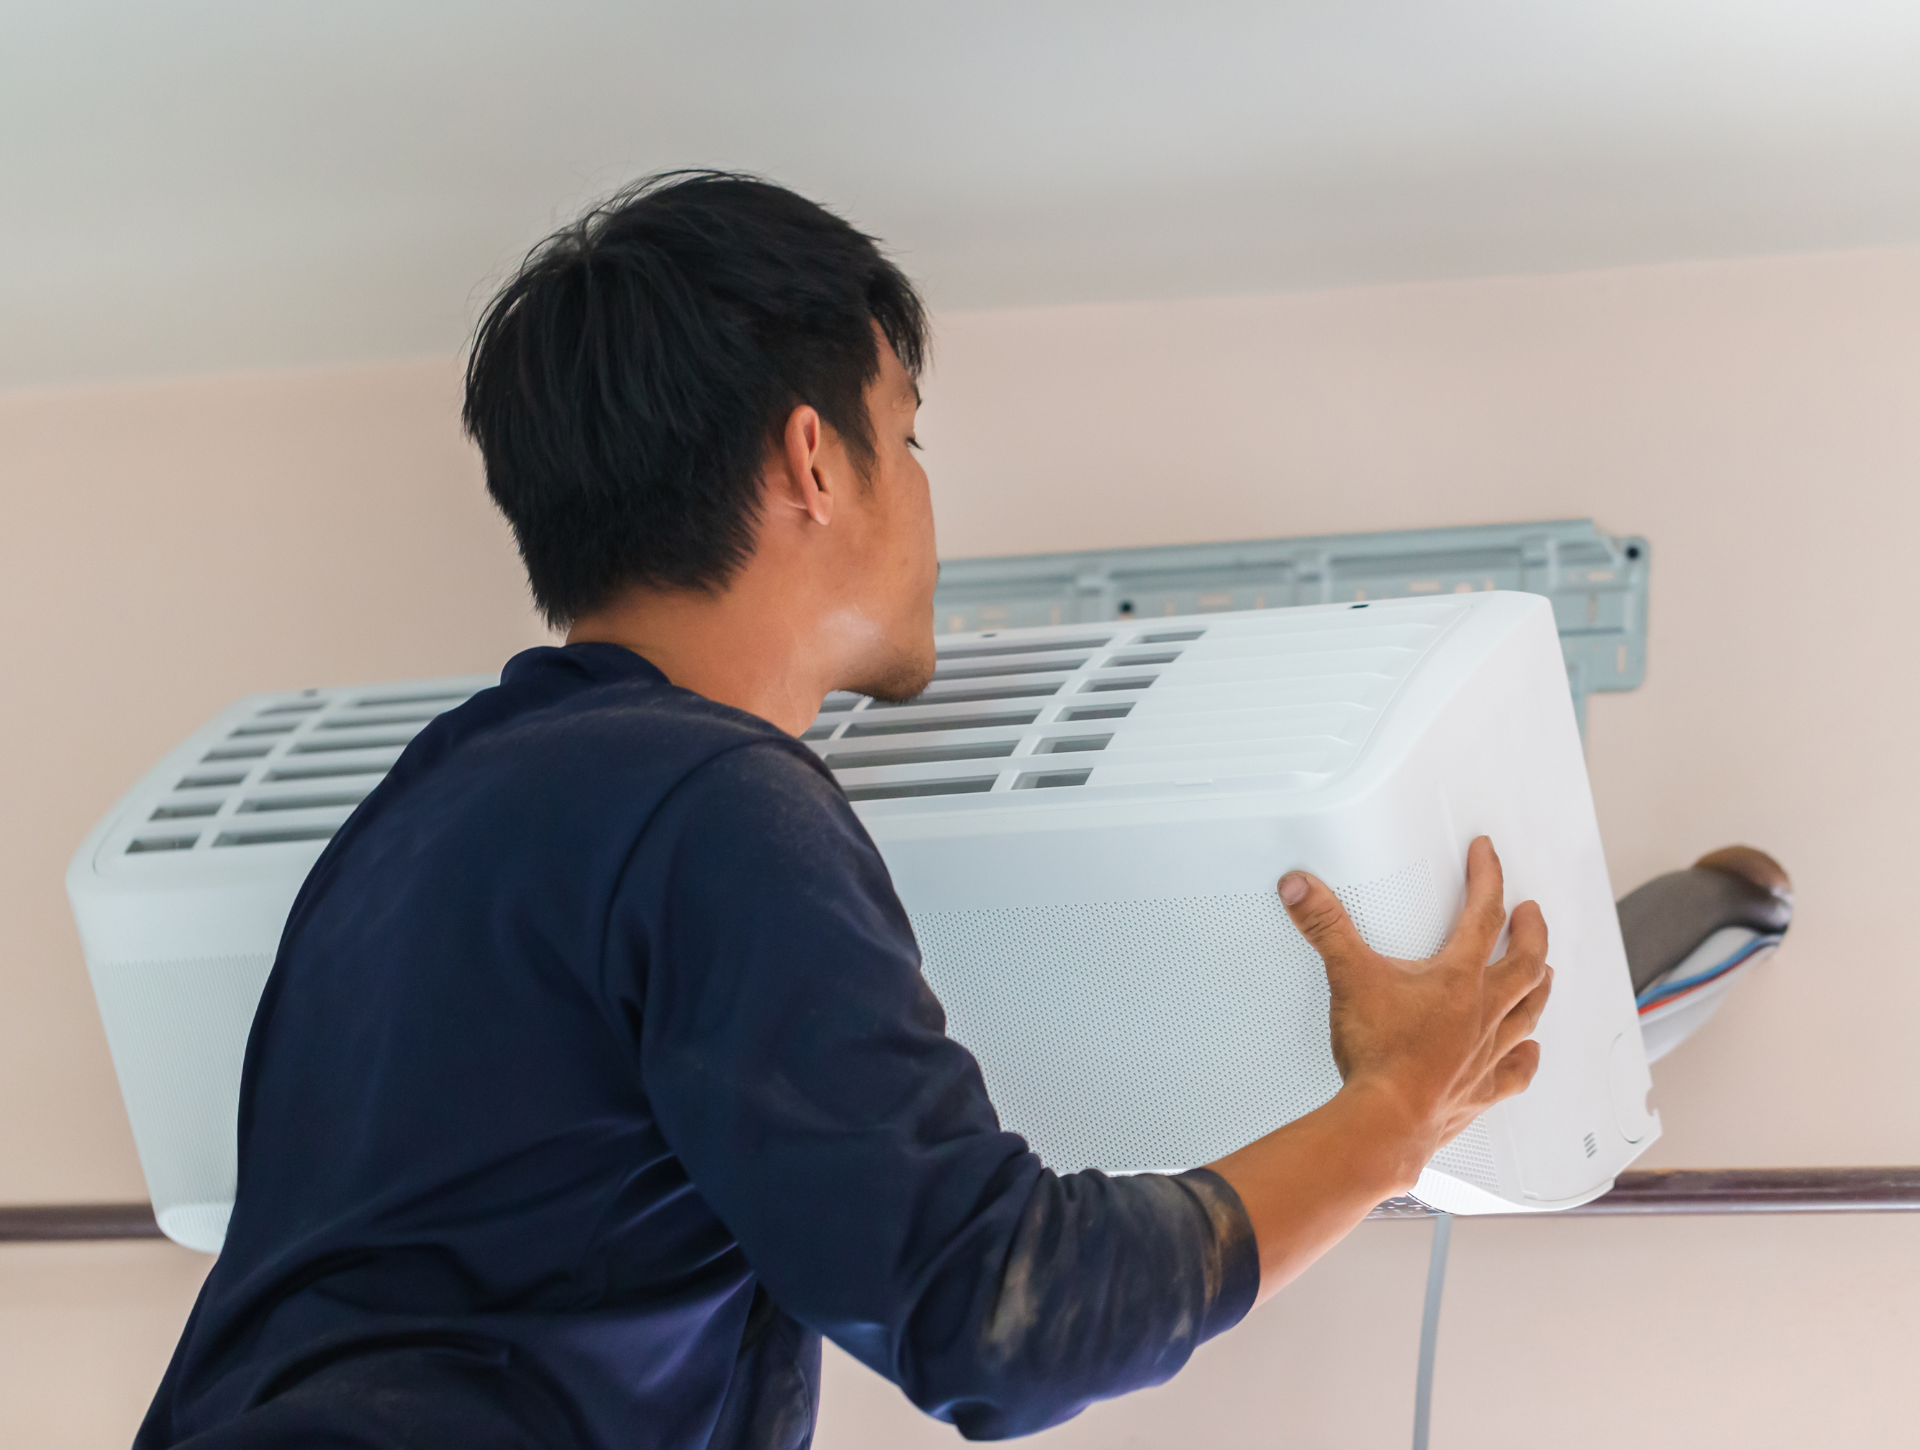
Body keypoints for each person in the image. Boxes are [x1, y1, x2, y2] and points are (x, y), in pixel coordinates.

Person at [135, 172, 1551, 1450]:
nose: (924, 496)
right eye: (909, 437)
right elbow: (996, 1310)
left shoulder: (417, 818)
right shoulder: (709, 800)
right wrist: (1393, 1111)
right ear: (813, 459)